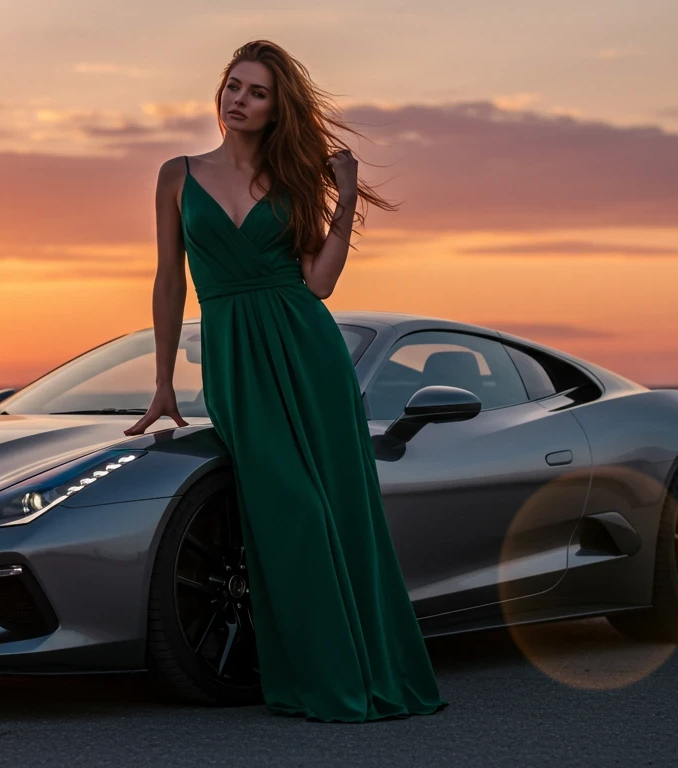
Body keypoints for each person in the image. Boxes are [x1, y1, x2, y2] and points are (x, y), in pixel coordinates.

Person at [123, 39, 450, 723]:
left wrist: (347, 196)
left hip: (309, 354)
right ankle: (315, 674)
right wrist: (162, 383)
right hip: (237, 358)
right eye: (232, 86)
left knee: (338, 509)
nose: (237, 100)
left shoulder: (296, 184)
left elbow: (319, 284)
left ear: (277, 110)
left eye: (256, 92)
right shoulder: (177, 175)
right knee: (291, 511)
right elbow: (167, 280)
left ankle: (360, 672)